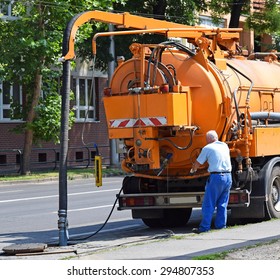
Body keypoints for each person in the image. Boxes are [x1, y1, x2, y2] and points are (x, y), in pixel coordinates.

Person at [190, 130, 232, 233]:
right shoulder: (224, 146)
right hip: (228, 176)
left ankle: (204, 227)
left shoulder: (207, 148)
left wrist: (192, 170)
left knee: (209, 203)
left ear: (208, 139)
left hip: (216, 177)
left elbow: (198, 163)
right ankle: (221, 226)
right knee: (222, 203)